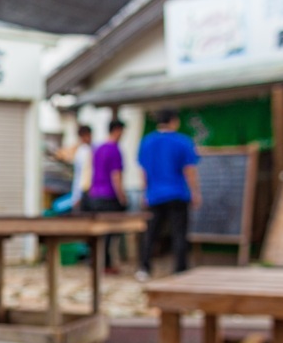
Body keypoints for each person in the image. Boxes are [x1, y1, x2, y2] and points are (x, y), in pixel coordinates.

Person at [136, 109, 201, 281]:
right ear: (174, 121)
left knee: (151, 233)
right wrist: (195, 192)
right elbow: (189, 170)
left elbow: (143, 171)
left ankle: (144, 268)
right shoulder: (182, 142)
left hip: (154, 194)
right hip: (177, 193)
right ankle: (180, 270)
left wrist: (145, 192)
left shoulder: (146, 142)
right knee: (179, 233)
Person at [82, 119, 128, 272]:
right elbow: (116, 175)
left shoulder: (98, 149)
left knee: (98, 232)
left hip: (95, 194)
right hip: (109, 195)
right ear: (117, 130)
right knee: (109, 232)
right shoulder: (115, 149)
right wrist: (122, 196)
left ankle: (95, 260)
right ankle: (105, 264)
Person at [54, 125, 92, 211]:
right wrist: (78, 196)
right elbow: (82, 175)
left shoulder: (81, 151)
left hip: (80, 192)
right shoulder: (84, 151)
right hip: (84, 191)